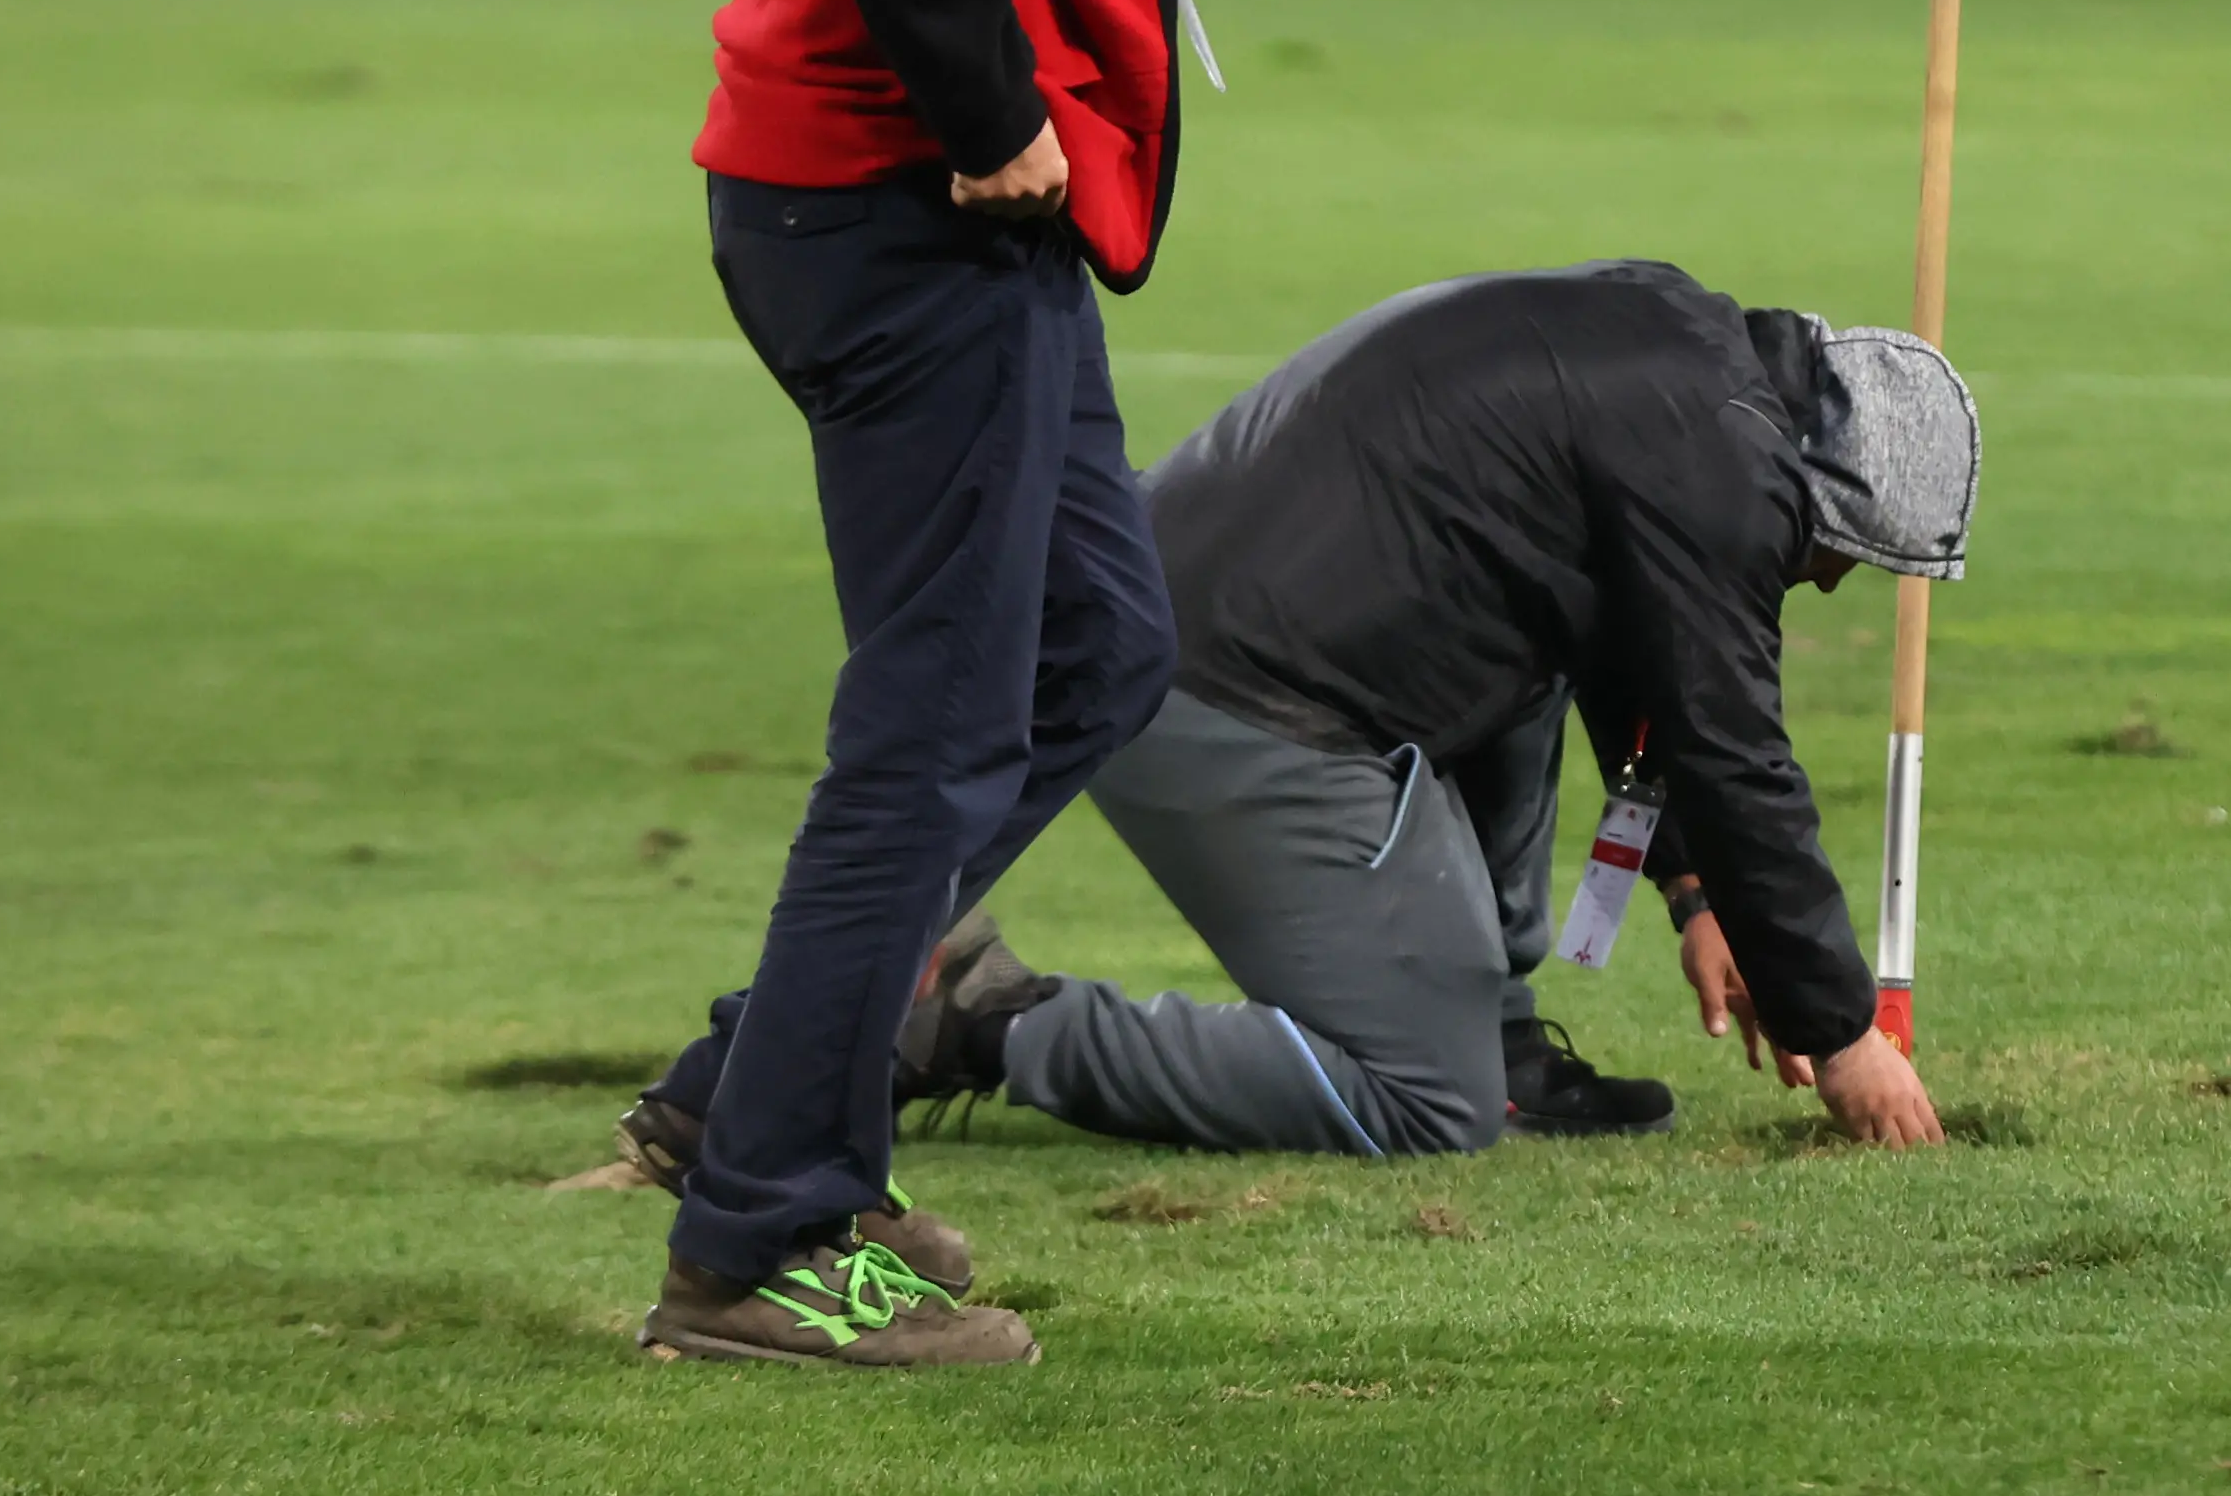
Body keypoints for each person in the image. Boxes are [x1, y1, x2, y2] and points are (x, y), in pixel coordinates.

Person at [644, 0, 1380, 1373]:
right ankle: (757, 1235)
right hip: (900, 203)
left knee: (1089, 646)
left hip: (883, 198)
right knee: (945, 716)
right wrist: (985, 112)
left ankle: (774, 1102)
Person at [592, 262, 1965, 1182]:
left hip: (1196, 612)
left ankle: (1498, 1036)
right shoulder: (1721, 472)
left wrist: (1690, 889)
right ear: (1826, 490)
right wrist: (1841, 1030)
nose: (1834, 581)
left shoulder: (1684, 354)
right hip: (1225, 690)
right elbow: (1734, 743)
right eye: (1852, 558)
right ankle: (974, 1020)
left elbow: (1632, 637)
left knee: (1536, 651)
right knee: (1422, 1102)